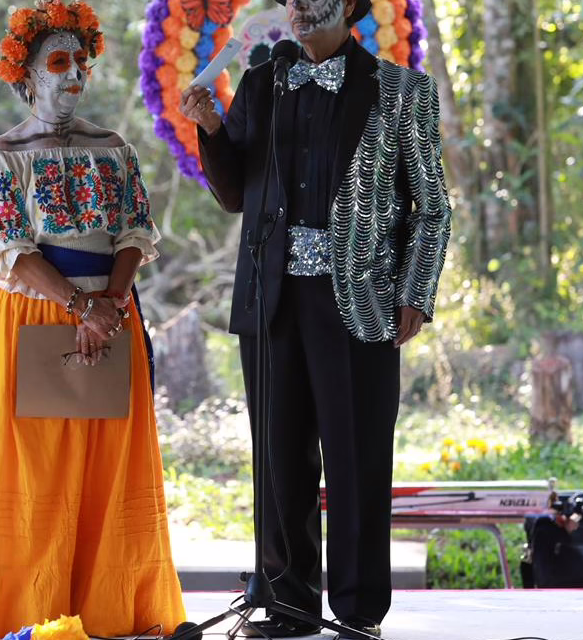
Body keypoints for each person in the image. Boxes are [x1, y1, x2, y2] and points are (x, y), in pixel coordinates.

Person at [179, 0, 452, 637]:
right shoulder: (262, 80)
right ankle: (287, 602)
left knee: (357, 456)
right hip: (272, 300)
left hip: (361, 302)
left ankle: (359, 611)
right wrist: (212, 127)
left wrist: (415, 290)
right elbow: (234, 194)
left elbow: (433, 207)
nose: (299, 8)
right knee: (278, 457)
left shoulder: (401, 91)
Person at [0, 1, 186, 636]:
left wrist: (110, 304)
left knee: (106, 457)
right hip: (32, 316)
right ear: (27, 78)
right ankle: (28, 609)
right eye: (59, 63)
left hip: (111, 311)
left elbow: (134, 230)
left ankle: (107, 605)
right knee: (35, 459)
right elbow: (11, 248)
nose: (75, 76)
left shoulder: (114, 149)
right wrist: (80, 306)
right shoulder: (3, 154)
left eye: (82, 64)